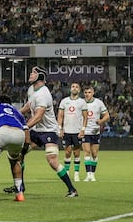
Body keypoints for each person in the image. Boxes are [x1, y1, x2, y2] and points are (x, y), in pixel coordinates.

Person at [20, 66, 78, 197]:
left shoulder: (43, 93)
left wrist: (25, 127)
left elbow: (38, 116)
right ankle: (20, 186)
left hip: (49, 131)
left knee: (52, 160)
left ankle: (72, 189)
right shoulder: (31, 89)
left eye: (34, 72)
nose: (30, 74)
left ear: (40, 76)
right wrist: (17, 113)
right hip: (36, 130)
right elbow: (29, 105)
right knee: (19, 154)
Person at [57, 82, 87, 182]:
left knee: (77, 153)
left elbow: (85, 117)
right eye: (73, 86)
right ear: (70, 89)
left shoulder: (82, 102)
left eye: (77, 87)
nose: (74, 88)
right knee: (67, 152)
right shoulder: (64, 101)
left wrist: (83, 130)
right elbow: (60, 115)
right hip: (66, 131)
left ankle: (76, 174)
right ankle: (67, 173)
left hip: (77, 131)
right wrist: (60, 128)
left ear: (79, 90)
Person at [80, 84, 109, 181]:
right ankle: (88, 174)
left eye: (89, 92)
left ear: (93, 93)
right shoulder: (81, 103)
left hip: (95, 131)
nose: (87, 94)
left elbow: (107, 116)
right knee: (87, 152)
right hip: (85, 131)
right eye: (86, 92)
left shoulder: (99, 103)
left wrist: (101, 121)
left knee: (94, 153)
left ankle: (92, 174)